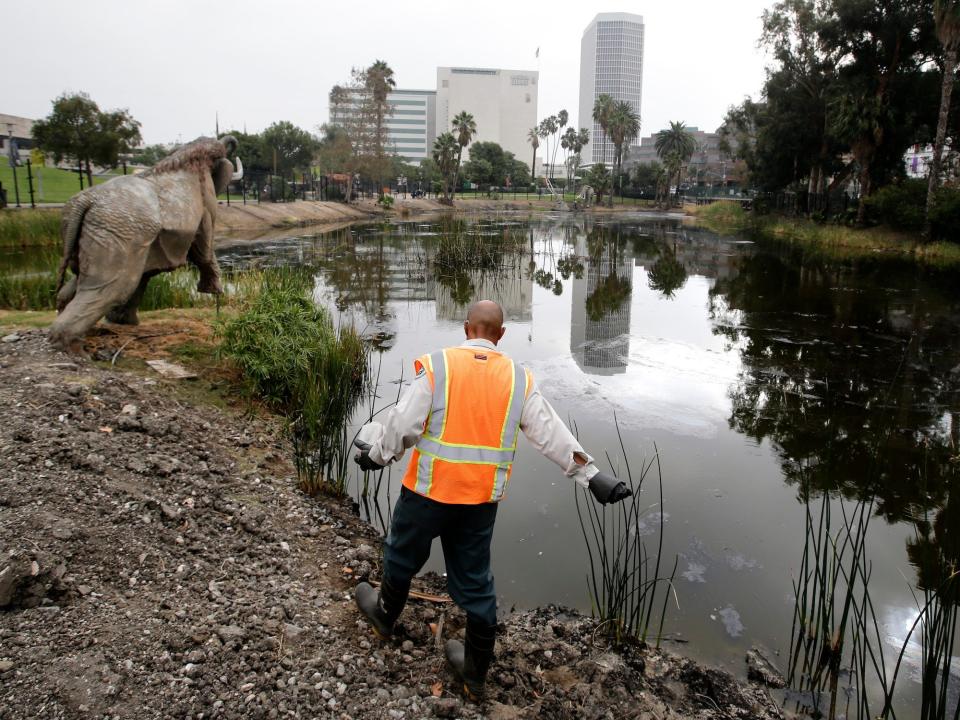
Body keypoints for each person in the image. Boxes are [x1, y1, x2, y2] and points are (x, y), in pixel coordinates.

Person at [352, 300, 631, 700]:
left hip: (428, 494)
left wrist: (376, 457)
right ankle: (475, 674)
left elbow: (403, 426)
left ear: (467, 329)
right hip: (479, 501)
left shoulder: (438, 366)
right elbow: (549, 432)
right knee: (476, 582)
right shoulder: (518, 379)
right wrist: (592, 476)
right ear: (501, 335)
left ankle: (383, 617)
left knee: (400, 555)